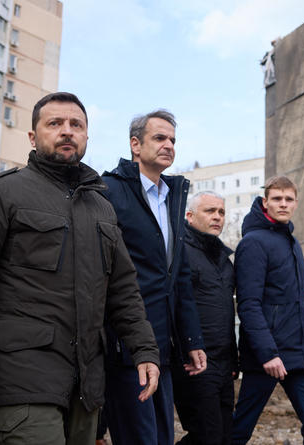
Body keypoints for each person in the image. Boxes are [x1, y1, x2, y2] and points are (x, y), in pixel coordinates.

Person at [0, 92, 160, 445]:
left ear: (87, 136)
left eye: (76, 125)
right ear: (33, 137)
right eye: (55, 123)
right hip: (21, 376)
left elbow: (123, 289)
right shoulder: (4, 193)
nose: (67, 131)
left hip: (86, 384)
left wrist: (144, 350)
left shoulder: (101, 208)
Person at [100, 110, 205, 445]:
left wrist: (190, 340)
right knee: (138, 437)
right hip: (125, 346)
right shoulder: (109, 191)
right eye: (160, 138)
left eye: (173, 139)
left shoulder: (171, 197)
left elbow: (179, 277)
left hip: (163, 347)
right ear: (135, 144)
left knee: (161, 437)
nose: (169, 145)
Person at [232, 176, 304, 445]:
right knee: (239, 430)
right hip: (266, 359)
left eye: (289, 199)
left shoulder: (293, 243)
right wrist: (268, 354)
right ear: (265, 203)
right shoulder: (253, 243)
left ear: (296, 203)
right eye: (277, 199)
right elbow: (249, 305)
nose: (283, 204)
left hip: (300, 356)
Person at [172, 192, 237, 445]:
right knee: (206, 435)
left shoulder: (224, 259)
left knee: (223, 436)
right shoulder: (180, 252)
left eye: (221, 212)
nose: (217, 217)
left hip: (223, 363)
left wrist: (233, 359)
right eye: (210, 211)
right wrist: (187, 348)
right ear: (189, 216)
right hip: (194, 361)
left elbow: (225, 312)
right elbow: (175, 306)